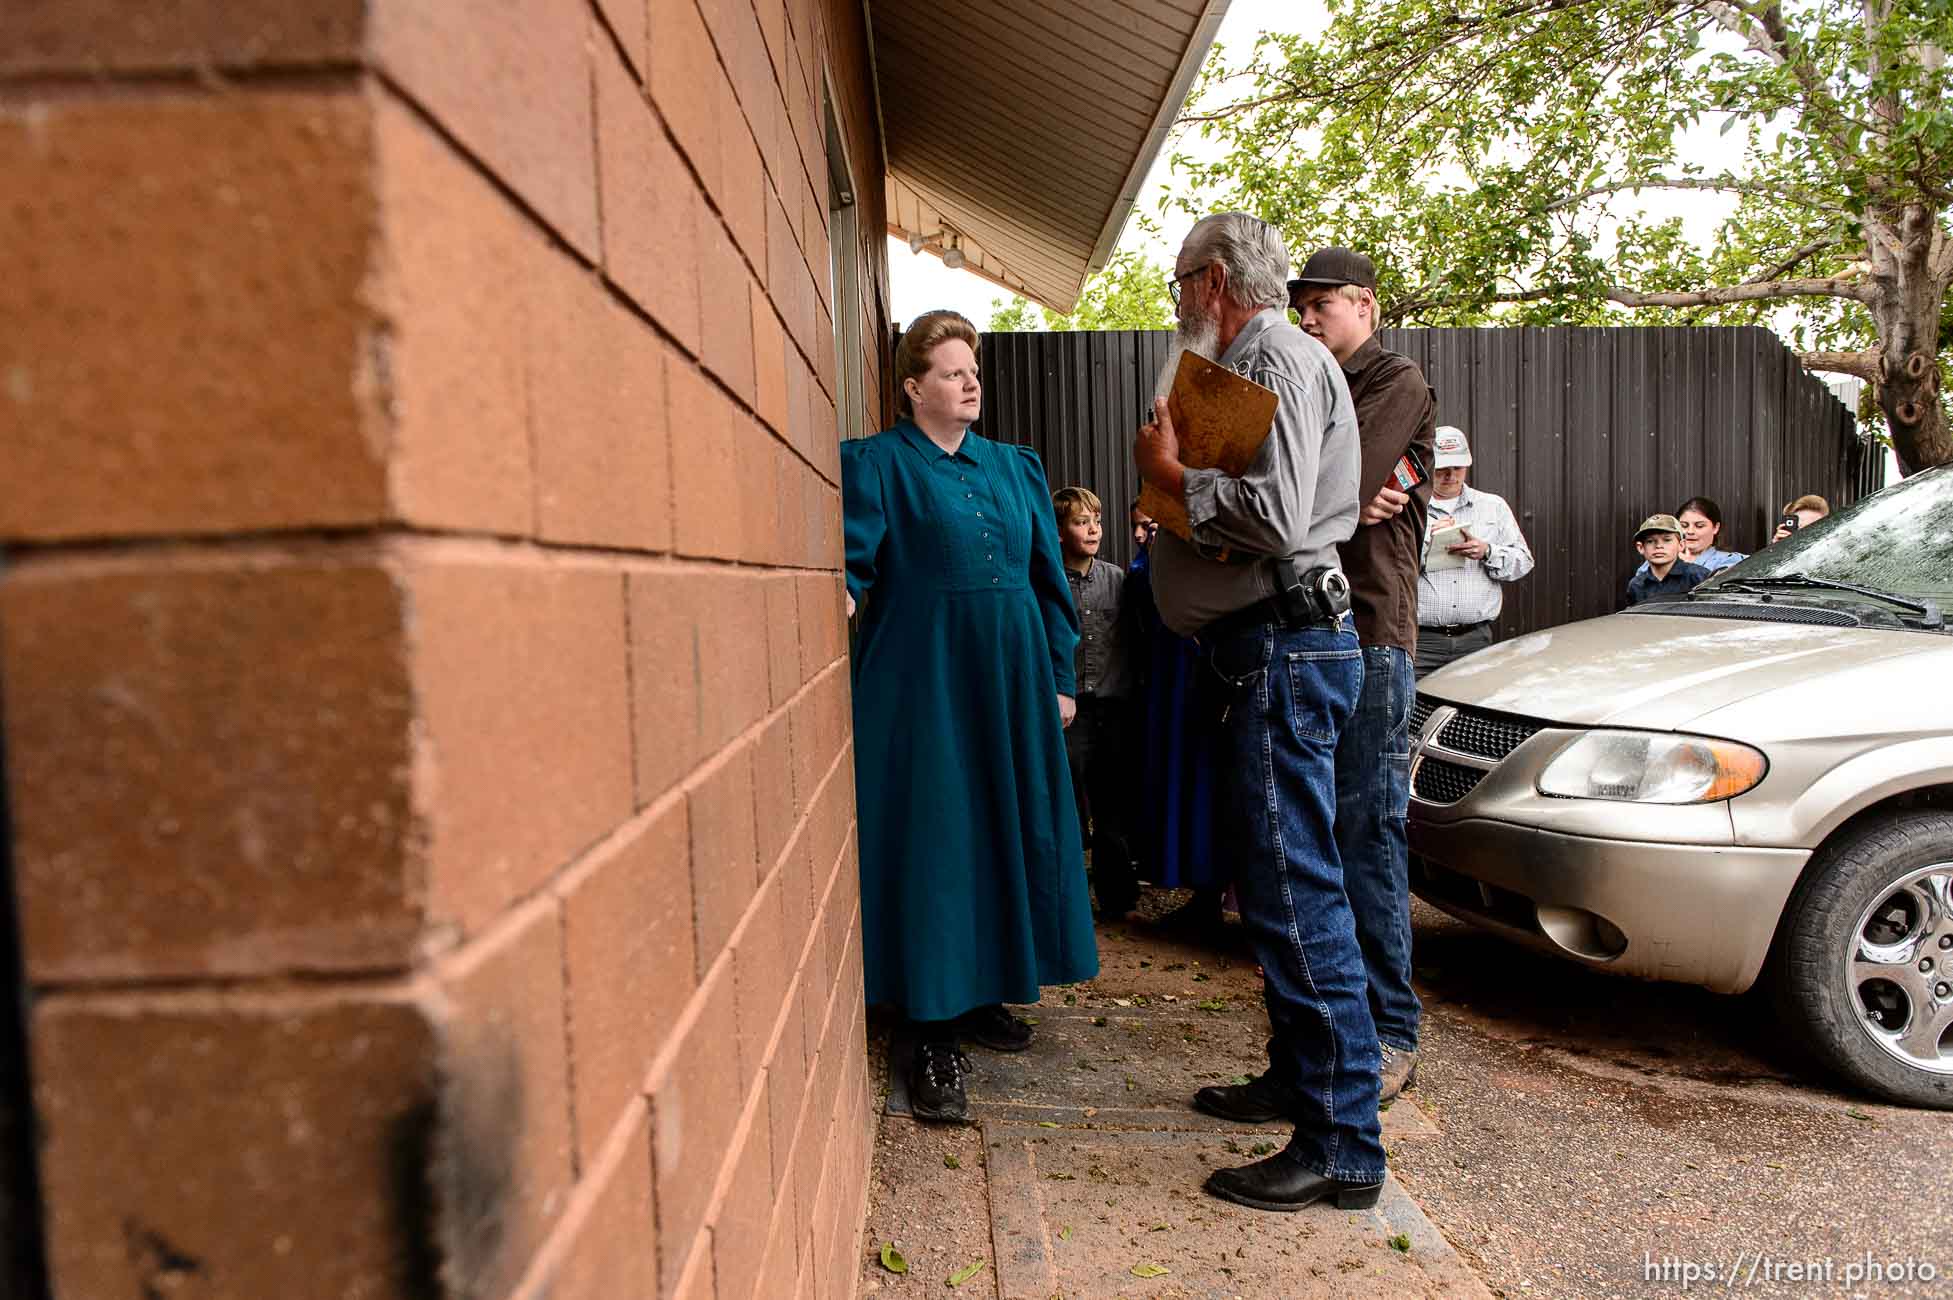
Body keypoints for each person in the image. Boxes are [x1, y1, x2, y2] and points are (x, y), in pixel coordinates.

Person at [1134, 211, 1384, 1213]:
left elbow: (1268, 521)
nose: (1175, 306)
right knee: (1275, 881)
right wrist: (1179, 491)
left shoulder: (1275, 355)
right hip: (1261, 647)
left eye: (1177, 286)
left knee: (1297, 889)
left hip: (1285, 645)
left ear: (1210, 281)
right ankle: (1300, 1076)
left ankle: (1344, 1141)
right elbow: (1226, 523)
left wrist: (1164, 480)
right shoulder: (1240, 365)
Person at [842, 310, 1098, 1124]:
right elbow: (849, 565)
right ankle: (930, 1027)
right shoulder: (876, 464)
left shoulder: (1016, 468)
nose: (969, 382)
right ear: (913, 388)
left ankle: (986, 984)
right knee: (941, 838)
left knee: (1005, 825)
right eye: (951, 372)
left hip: (1013, 678)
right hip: (924, 683)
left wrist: (1059, 676)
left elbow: (1048, 582)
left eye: (972, 370)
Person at [1290, 247, 1434, 1103]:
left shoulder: (1394, 380)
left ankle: (1388, 1034)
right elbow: (1303, 489)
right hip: (1315, 630)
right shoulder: (1311, 386)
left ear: (1364, 305)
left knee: (1366, 832)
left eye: (1319, 307)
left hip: (1374, 635)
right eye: (1298, 309)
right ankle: (1321, 1047)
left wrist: (1338, 489)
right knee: (1311, 847)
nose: (1306, 320)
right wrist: (1335, 492)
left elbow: (1328, 485)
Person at [1053, 486, 1139, 918]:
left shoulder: (1117, 580)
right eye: (1080, 522)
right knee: (1065, 804)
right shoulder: (1047, 582)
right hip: (1068, 714)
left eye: (1097, 521)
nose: (1092, 529)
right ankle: (1064, 901)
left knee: (1112, 807)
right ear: (1060, 530)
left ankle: (1118, 899)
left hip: (1112, 710)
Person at [1413, 426, 1534, 679]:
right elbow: (1392, 570)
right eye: (1443, 468)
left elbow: (1523, 562)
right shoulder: (1411, 508)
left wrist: (1487, 551)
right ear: (1429, 464)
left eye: (1457, 468)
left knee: (1472, 715)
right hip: (1421, 641)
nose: (1450, 475)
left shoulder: (1493, 507)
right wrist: (1428, 544)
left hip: (1475, 640)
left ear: (1467, 465)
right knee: (1416, 713)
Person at [1633, 495, 1745, 581]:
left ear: (1715, 527)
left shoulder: (1730, 562)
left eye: (1699, 526)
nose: (1690, 532)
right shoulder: (1655, 560)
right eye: (1684, 525)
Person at [1625, 513, 1710, 605]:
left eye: (1667, 540)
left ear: (1681, 545)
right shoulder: (1637, 585)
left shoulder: (1699, 576)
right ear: (1641, 548)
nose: (1659, 546)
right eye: (1650, 541)